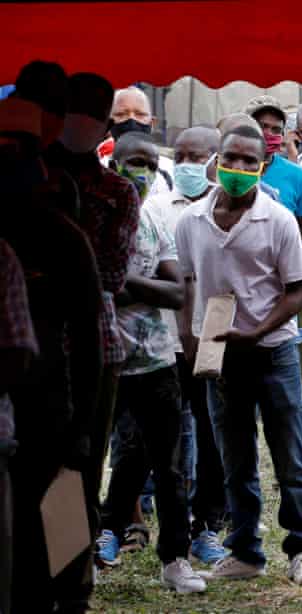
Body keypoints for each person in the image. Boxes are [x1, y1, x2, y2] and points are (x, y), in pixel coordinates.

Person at [175, 125, 302, 585]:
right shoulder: (191, 221)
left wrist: (258, 330)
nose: (238, 169)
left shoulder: (277, 219)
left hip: (272, 351)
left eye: (248, 162)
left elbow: (297, 291)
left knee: (290, 456)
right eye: (231, 159)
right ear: (215, 161)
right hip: (219, 353)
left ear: (262, 166)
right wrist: (190, 336)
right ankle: (245, 552)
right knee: (234, 458)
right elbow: (186, 284)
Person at [1, 94, 104, 614]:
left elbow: (90, 339)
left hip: (52, 406)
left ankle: (72, 598)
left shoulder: (60, 237)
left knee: (61, 525)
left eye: (13, 151)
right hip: (9, 409)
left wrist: (82, 424)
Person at [94, 133, 206, 593]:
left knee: (167, 463)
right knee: (90, 459)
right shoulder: (92, 220)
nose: (138, 171)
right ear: (112, 165)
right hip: (102, 360)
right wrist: (142, 285)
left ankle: (175, 558)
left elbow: (177, 291)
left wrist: (125, 282)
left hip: (156, 361)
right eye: (130, 162)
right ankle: (86, 550)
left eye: (145, 163)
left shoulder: (153, 222)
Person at [43, 72, 143, 574]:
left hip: (89, 345)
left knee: (77, 466)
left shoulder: (117, 191)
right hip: (31, 341)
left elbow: (109, 273)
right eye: (73, 107)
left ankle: (69, 581)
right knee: (31, 463)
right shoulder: (31, 177)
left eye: (92, 109)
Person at [142, 126, 228, 565]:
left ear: (216, 158)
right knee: (161, 437)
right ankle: (144, 520)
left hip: (214, 333)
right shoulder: (156, 208)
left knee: (214, 434)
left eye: (200, 155)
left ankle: (208, 526)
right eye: (182, 155)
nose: (190, 163)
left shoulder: (227, 208)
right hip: (165, 339)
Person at [0, 240, 38, 614]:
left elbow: (18, 351)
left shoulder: (64, 236)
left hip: (54, 391)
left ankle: (69, 591)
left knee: (67, 487)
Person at [245, 95, 302, 241]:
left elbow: (299, 236)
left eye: (276, 129)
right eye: (262, 126)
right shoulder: (225, 170)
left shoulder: (296, 175)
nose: (268, 134)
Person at [102, 87, 173, 197]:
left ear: (152, 123)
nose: (131, 120)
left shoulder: (171, 171)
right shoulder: (96, 170)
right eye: (121, 114)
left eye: (140, 114)